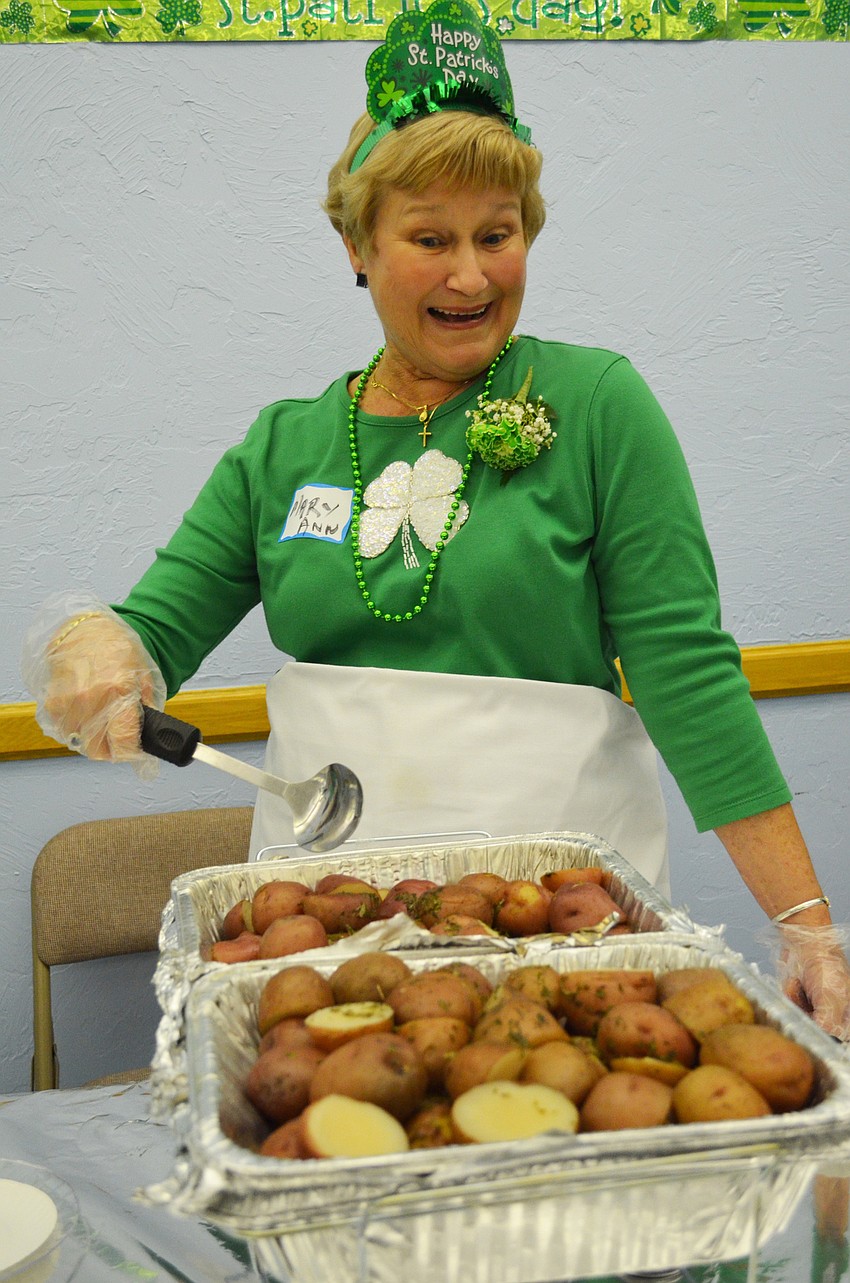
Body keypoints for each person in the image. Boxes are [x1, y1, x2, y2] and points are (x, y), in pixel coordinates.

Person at [21, 0, 850, 1038]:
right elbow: (150, 635)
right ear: (355, 244)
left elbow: (687, 673)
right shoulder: (284, 447)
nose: (471, 275)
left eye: (496, 235)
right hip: (328, 940)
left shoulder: (598, 406)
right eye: (429, 238)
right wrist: (88, 647)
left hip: (557, 931)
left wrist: (807, 926)